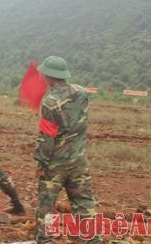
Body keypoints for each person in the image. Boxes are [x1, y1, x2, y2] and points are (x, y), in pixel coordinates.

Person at [35, 56, 101, 244]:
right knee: (84, 203)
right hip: (79, 160)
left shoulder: (50, 101)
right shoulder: (81, 92)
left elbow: (47, 137)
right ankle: (91, 240)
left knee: (46, 206)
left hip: (56, 164)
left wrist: (41, 163)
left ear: (48, 76)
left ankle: (46, 240)